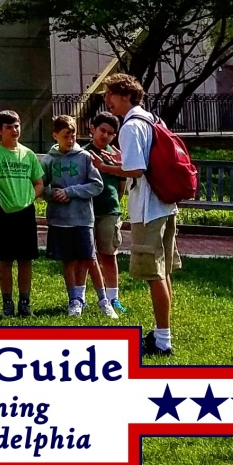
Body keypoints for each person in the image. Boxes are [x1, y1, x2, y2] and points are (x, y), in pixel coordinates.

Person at [92, 73, 180, 358]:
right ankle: (162, 333)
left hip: (148, 209)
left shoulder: (130, 126)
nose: (107, 100)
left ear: (126, 96)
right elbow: (145, 160)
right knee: (163, 271)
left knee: (153, 274)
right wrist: (119, 160)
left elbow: (137, 170)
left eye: (111, 94)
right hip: (166, 204)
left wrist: (106, 168)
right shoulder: (152, 119)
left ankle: (163, 341)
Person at [42, 115, 114, 319]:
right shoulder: (48, 160)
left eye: (73, 135)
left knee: (89, 258)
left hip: (82, 218)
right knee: (67, 260)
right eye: (65, 136)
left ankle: (103, 300)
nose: (70, 140)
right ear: (55, 135)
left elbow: (97, 185)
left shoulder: (84, 157)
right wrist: (52, 193)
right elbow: (41, 186)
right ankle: (74, 299)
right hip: (59, 219)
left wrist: (71, 192)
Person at [0, 109, 44, 318]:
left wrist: (30, 198)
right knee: (5, 259)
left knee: (26, 259)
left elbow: (39, 182)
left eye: (17, 126)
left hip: (26, 213)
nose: (15, 130)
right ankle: (7, 302)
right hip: (3, 214)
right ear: (0, 130)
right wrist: (0, 200)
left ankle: (25, 302)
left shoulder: (28, 154)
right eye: (9, 127)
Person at [85, 112, 128, 314]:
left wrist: (113, 203)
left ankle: (113, 297)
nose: (105, 136)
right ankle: (81, 297)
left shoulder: (116, 156)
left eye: (110, 133)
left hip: (109, 210)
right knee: (85, 255)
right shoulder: (83, 153)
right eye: (102, 130)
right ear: (93, 129)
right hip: (86, 211)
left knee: (108, 254)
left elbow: (121, 185)